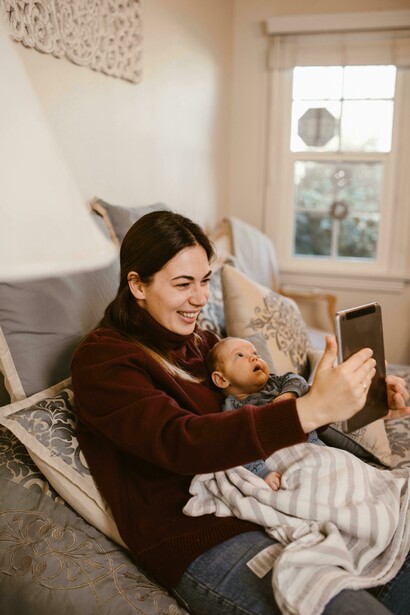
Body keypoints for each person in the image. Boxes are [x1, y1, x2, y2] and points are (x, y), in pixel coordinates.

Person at [71, 210, 410, 615]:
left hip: (280, 502)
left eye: (204, 281)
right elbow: (181, 440)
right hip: (208, 535)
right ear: (137, 285)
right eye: (183, 284)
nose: (200, 299)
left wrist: (357, 400)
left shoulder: (203, 342)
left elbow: (265, 401)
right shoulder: (104, 360)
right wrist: (308, 409)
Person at [206, 336, 324, 490]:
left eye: (255, 353)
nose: (254, 357)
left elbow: (298, 381)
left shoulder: (276, 382)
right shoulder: (233, 407)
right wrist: (263, 472)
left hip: (315, 448)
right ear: (221, 379)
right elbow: (239, 444)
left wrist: (288, 395)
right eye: (240, 355)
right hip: (284, 460)